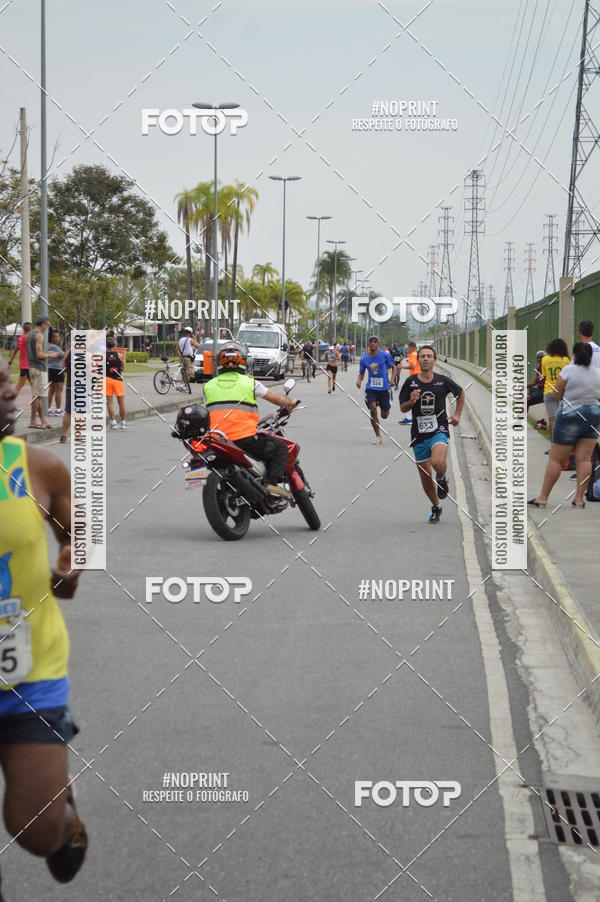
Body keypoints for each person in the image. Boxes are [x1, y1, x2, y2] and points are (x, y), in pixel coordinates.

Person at [0, 357, 87, 893]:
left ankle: (65, 820)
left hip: (30, 675)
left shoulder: (38, 468)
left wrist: (70, 560)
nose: (10, 392)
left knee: (36, 831)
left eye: (4, 381)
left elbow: (79, 533)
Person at [203, 342, 298, 498]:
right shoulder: (250, 383)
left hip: (218, 439)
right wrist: (290, 403)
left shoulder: (208, 386)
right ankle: (273, 484)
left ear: (219, 363)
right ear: (244, 362)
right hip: (244, 438)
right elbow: (275, 398)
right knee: (281, 448)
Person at [529, 342, 600, 509]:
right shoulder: (598, 373)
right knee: (584, 459)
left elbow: (556, 392)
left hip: (570, 414)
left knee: (556, 460)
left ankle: (543, 498)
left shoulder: (569, 370)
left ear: (574, 355)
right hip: (593, 415)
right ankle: (579, 499)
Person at [399, 346, 464, 523]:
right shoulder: (410, 382)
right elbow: (402, 408)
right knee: (425, 476)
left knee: (437, 462)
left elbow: (460, 393)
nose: (426, 359)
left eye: (429, 356)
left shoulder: (442, 381)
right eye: (423, 356)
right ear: (418, 360)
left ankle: (442, 478)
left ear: (434, 360)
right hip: (418, 434)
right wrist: (411, 401)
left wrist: (457, 415)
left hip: (439, 429)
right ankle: (436, 506)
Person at [356, 336, 395, 445]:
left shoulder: (385, 355)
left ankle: (388, 403)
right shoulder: (364, 359)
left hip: (384, 389)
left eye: (375, 342)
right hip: (371, 389)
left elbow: (394, 367)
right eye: (371, 342)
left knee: (384, 415)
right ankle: (378, 436)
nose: (373, 343)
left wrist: (392, 379)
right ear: (368, 344)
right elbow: (362, 373)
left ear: (378, 344)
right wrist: (359, 381)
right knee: (373, 409)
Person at [27, 316, 59, 430]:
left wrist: (46, 352)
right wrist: (50, 355)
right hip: (39, 368)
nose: (48, 327)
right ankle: (40, 421)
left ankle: (36, 421)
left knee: (36, 395)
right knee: (38, 396)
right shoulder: (39, 335)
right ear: (43, 324)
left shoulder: (30, 334)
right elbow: (39, 355)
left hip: (32, 367)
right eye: (48, 324)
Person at [541, 339, 570, 440]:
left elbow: (544, 376)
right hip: (562, 393)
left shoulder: (544, 359)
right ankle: (562, 442)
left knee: (552, 420)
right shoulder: (566, 360)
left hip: (549, 391)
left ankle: (553, 444)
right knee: (562, 420)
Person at [7, 322, 32, 412]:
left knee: (34, 387)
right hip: (28, 366)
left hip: (24, 365)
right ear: (30, 329)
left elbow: (15, 351)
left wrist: (10, 362)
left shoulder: (21, 338)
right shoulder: (28, 338)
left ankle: (37, 406)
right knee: (19, 386)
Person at [105, 337, 127, 429]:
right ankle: (123, 422)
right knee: (121, 403)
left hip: (107, 379)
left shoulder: (103, 356)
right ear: (114, 345)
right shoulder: (120, 355)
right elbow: (122, 368)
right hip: (118, 379)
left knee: (109, 402)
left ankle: (113, 422)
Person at [398, 341, 420, 424]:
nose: (407, 350)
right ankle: (411, 417)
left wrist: (402, 366)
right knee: (414, 398)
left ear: (412, 347)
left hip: (415, 378)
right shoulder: (414, 354)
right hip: (415, 377)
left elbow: (413, 366)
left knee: (407, 398)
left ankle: (409, 418)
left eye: (408, 348)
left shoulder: (413, 355)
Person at [176, 326, 199, 393]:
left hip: (183, 358)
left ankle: (184, 386)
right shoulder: (190, 340)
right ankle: (181, 386)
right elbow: (198, 346)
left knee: (184, 372)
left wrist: (181, 357)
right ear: (190, 333)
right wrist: (195, 338)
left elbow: (177, 350)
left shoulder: (180, 340)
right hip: (189, 358)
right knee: (189, 373)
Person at [47, 331, 65, 416]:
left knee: (52, 389)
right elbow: (64, 355)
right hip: (57, 369)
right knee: (59, 390)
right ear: (51, 338)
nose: (57, 339)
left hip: (50, 369)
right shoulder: (53, 347)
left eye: (58, 337)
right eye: (55, 337)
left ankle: (48, 408)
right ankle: (58, 410)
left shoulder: (47, 346)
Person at [59, 345, 72, 444]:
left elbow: (63, 368)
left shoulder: (68, 352)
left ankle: (64, 434)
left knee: (68, 411)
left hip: (70, 384)